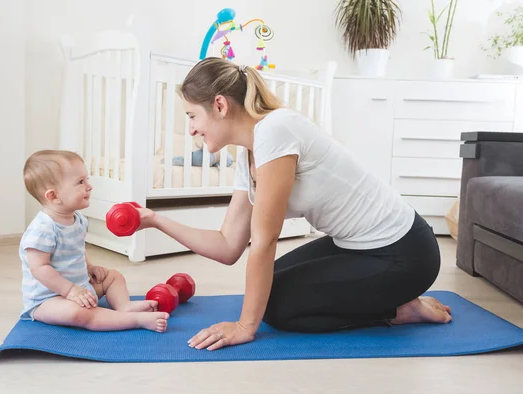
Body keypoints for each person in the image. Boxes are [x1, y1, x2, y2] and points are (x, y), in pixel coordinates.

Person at [133, 57, 453, 351]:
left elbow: (264, 240)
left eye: (192, 116)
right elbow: (228, 246)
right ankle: (394, 300)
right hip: (358, 246)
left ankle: (399, 309)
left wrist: (246, 326)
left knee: (276, 308)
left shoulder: (275, 130)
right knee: (270, 286)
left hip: (406, 251)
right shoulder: (248, 155)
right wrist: (155, 220)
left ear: (219, 105)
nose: (191, 130)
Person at [19, 150, 169, 332]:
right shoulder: (42, 228)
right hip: (49, 299)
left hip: (81, 286)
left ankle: (124, 307)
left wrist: (89, 268)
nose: (89, 186)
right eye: (80, 182)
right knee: (79, 313)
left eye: (87, 180)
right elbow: (39, 268)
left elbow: (77, 250)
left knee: (113, 276)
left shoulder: (78, 219)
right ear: (53, 196)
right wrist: (70, 291)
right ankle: (134, 320)